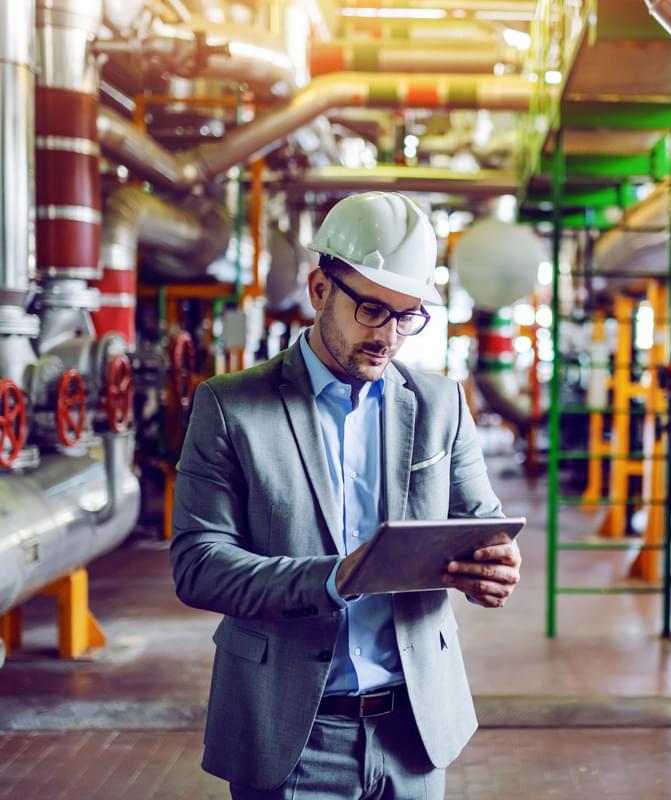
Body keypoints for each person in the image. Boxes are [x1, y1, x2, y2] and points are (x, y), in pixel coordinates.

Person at [170, 191, 521, 799]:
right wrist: (335, 578)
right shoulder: (230, 406)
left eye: (407, 316)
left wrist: (494, 566)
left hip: (415, 732)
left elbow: (482, 522)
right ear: (318, 289)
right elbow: (198, 565)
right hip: (292, 735)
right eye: (370, 309)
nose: (387, 336)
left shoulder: (441, 405)